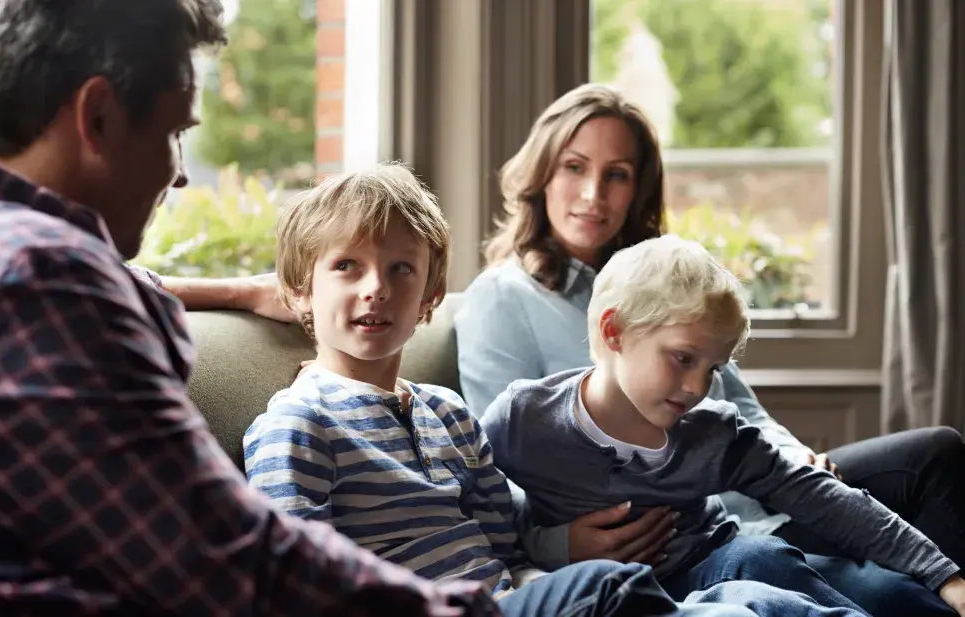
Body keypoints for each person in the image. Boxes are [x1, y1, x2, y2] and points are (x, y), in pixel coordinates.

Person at [0, 2, 503, 615]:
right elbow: (222, 558)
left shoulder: (6, 251)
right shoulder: (44, 286)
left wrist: (235, 290)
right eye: (176, 133)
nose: (178, 176)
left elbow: (129, 284)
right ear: (97, 117)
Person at [450, 82, 965, 617]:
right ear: (611, 333)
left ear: (639, 189)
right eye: (575, 167)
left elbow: (738, 405)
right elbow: (495, 478)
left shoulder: (670, 282)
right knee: (818, 579)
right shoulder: (504, 306)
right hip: (666, 545)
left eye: (617, 175)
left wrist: (789, 454)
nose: (594, 194)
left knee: (932, 456)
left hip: (745, 502)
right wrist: (558, 545)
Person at [241, 162, 770, 617]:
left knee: (748, 592)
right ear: (300, 291)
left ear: (429, 297)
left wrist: (552, 559)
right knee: (606, 584)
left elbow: (506, 541)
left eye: (401, 269)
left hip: (509, 598)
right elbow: (292, 585)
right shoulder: (299, 423)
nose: (376, 288)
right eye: (346, 267)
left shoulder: (447, 415)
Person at [479, 234, 965, 616]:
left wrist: (945, 576)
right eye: (683, 358)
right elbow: (479, 513)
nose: (697, 387)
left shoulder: (712, 432)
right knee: (765, 563)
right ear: (614, 332)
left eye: (713, 368)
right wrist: (557, 545)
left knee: (862, 584)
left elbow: (825, 499)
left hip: (720, 559)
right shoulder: (523, 419)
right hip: (623, 594)